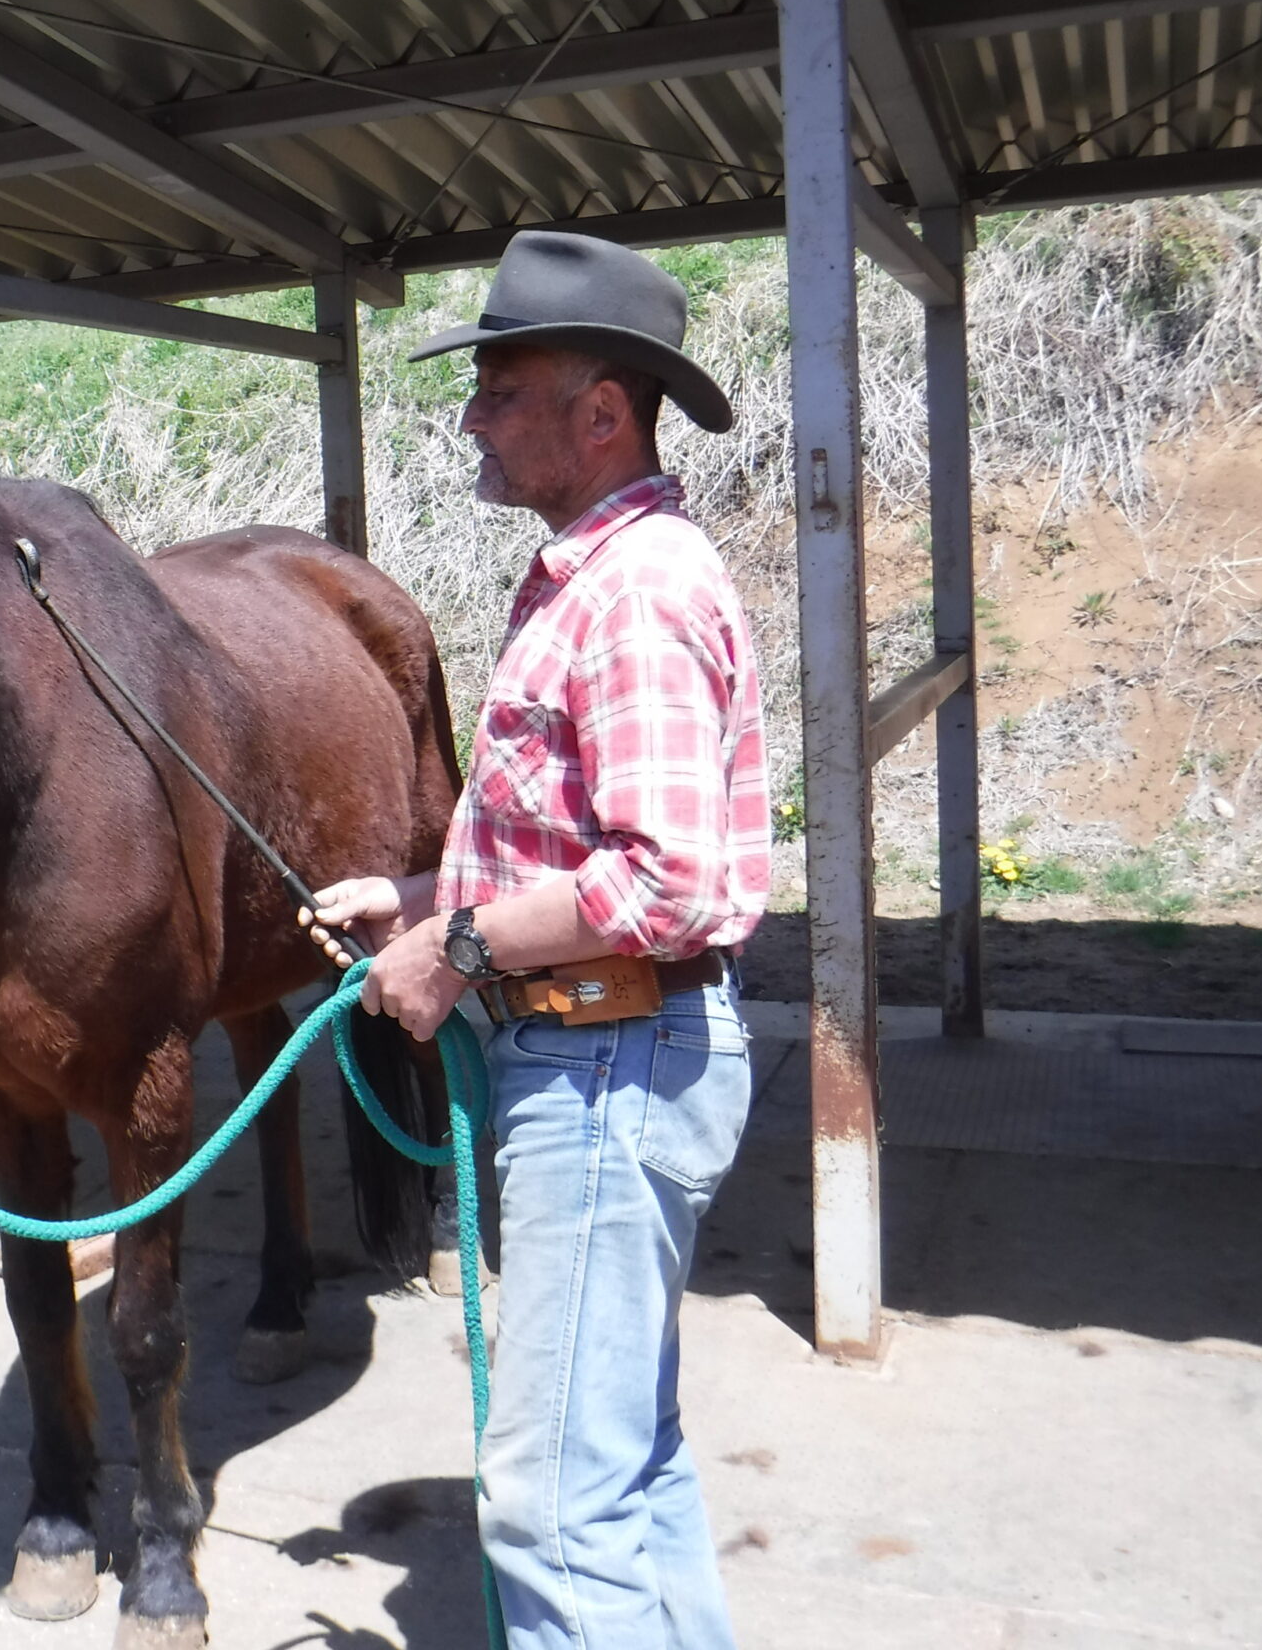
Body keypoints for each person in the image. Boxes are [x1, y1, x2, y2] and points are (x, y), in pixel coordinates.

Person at [308, 230, 770, 1649]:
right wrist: (420, 901)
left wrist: (453, 948)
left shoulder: (636, 595)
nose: (473, 421)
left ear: (603, 412)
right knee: (627, 1463)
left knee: (549, 1506)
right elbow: (574, 843)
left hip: (608, 1065)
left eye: (502, 392)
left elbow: (669, 881)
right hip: (597, 1055)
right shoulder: (592, 579)